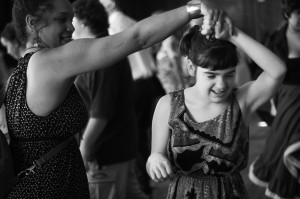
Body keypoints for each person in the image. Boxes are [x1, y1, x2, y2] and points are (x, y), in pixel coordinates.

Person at [4, 0, 214, 198]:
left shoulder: (16, 76)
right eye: (61, 19)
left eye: (72, 19)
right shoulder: (49, 63)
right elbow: (138, 38)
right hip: (50, 189)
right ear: (33, 23)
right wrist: (194, 8)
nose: (71, 27)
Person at [146, 7, 286, 199]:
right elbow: (155, 155)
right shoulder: (168, 105)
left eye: (229, 75)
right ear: (191, 67)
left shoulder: (241, 101)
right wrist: (154, 160)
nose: (221, 85)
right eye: (211, 75)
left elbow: (277, 71)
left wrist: (233, 32)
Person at [72, 0, 149, 199]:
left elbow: (101, 112)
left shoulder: (102, 55)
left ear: (81, 22)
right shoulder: (100, 50)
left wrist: (85, 149)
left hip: (106, 150)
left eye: (69, 20)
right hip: (116, 147)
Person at [99, 0, 166, 194]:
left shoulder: (114, 24)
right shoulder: (130, 20)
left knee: (135, 138)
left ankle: (142, 185)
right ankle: (145, 182)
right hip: (147, 83)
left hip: (135, 85)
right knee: (142, 136)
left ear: (110, 4)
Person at [249, 0, 300, 198]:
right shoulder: (276, 39)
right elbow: (262, 74)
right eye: (296, 14)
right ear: (287, 15)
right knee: (285, 142)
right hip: (286, 99)